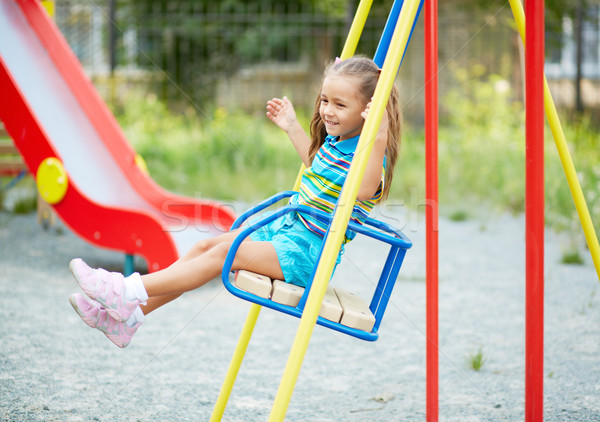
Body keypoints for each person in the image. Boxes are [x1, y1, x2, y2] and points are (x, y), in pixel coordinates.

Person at [68, 56, 402, 348]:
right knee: (206, 247)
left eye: (339, 105)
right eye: (325, 100)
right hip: (284, 234)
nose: (327, 111)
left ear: (368, 113)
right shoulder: (335, 141)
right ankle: (128, 318)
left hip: (307, 254)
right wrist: (291, 127)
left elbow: (363, 189)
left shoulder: (370, 157)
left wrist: (380, 134)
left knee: (225, 254)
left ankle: (127, 289)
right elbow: (315, 167)